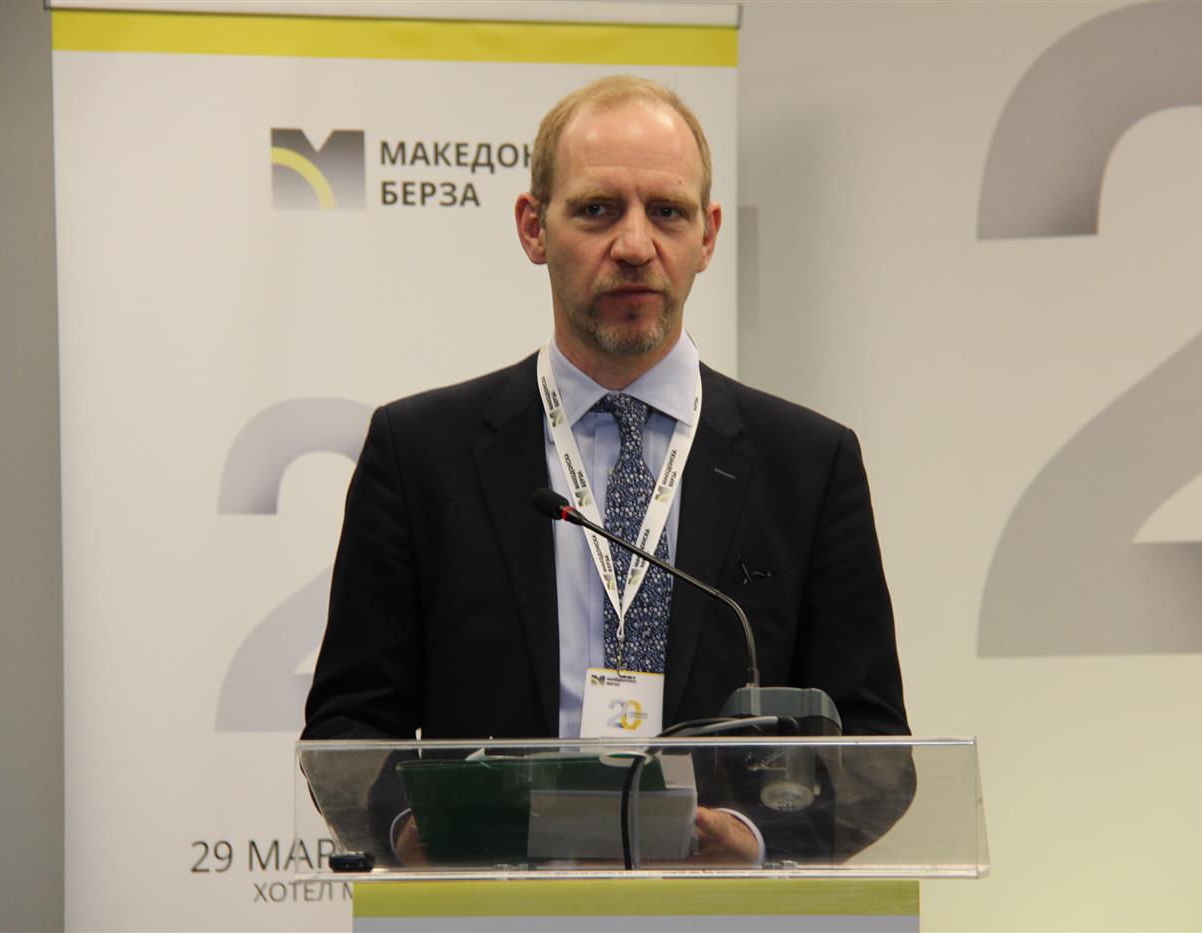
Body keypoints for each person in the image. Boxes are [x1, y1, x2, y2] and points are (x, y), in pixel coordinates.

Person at [302, 76, 909, 865]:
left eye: (667, 212)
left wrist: (758, 840)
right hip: (495, 905)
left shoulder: (809, 464)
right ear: (534, 227)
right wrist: (412, 832)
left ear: (708, 236)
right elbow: (349, 730)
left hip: (718, 911)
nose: (633, 245)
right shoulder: (420, 454)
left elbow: (873, 752)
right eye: (597, 209)